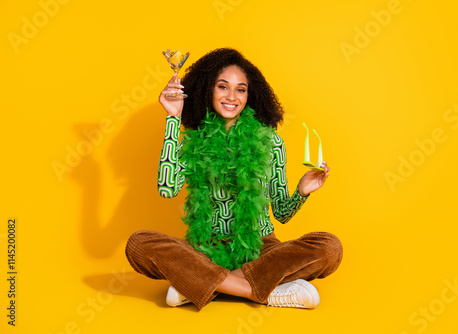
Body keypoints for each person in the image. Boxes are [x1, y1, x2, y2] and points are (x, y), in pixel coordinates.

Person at [125, 47, 343, 310]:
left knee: (329, 248)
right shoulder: (193, 141)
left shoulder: (271, 142)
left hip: (262, 250)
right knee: (139, 244)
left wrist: (302, 191)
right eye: (222, 87)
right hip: (204, 251)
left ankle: (201, 285)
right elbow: (167, 188)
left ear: (250, 96)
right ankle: (260, 291)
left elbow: (282, 213)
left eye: (241, 89)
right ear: (208, 90)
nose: (232, 96)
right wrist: (173, 117)